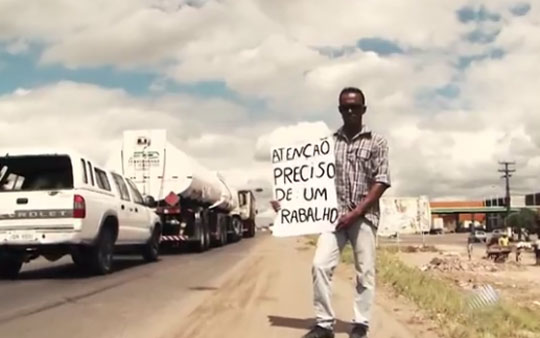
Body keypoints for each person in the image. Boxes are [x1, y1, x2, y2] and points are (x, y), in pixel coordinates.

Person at [271, 87, 391, 338]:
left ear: (363, 109)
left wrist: (356, 212)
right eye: (345, 107)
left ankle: (361, 324)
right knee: (320, 266)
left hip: (364, 217)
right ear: (339, 110)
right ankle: (325, 324)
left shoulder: (377, 142)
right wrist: (287, 204)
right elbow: (309, 184)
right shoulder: (327, 144)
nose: (350, 111)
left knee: (364, 272)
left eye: (355, 107)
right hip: (332, 218)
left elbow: (381, 181)